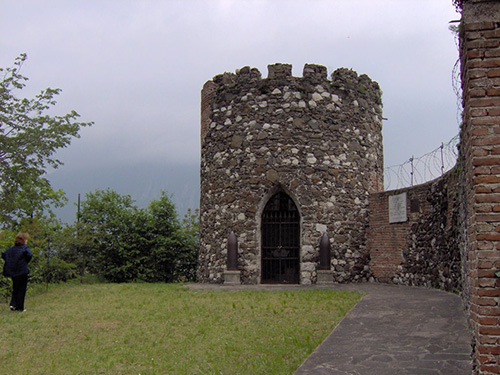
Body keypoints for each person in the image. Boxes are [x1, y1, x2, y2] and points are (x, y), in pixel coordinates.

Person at [2, 233, 33, 312]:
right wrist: (25, 261)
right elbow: (29, 255)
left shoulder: (11, 249)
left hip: (13, 272)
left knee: (15, 288)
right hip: (22, 271)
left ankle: (13, 304)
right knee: (22, 289)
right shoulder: (24, 248)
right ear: (24, 240)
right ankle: (20, 308)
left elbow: (4, 255)